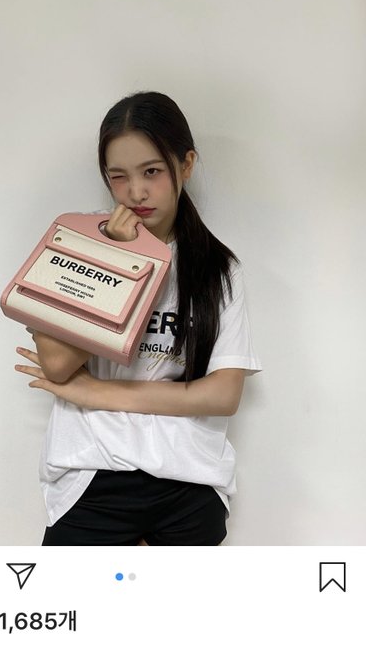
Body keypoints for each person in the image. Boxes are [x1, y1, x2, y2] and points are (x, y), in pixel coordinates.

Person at [15, 91, 262, 546]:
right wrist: (115, 257)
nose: (136, 192)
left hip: (190, 478)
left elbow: (223, 394)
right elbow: (58, 365)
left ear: (185, 164)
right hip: (92, 471)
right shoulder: (76, 241)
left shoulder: (218, 268)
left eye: (152, 171)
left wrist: (96, 392)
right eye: (118, 176)